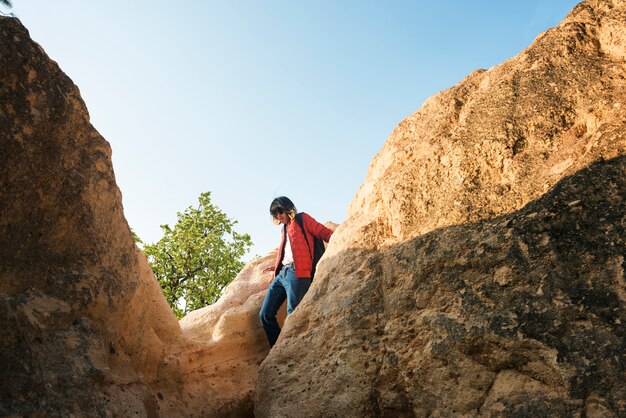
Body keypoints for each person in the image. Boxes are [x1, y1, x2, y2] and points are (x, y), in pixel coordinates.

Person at [259, 196, 334, 347]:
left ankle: (293, 349)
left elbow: (324, 233)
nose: (278, 217)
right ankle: (277, 349)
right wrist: (276, 268)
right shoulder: (284, 228)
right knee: (265, 314)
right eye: (275, 214)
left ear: (287, 208)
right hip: (282, 274)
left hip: (297, 273)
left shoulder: (302, 219)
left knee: (293, 315)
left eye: (280, 212)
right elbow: (289, 251)